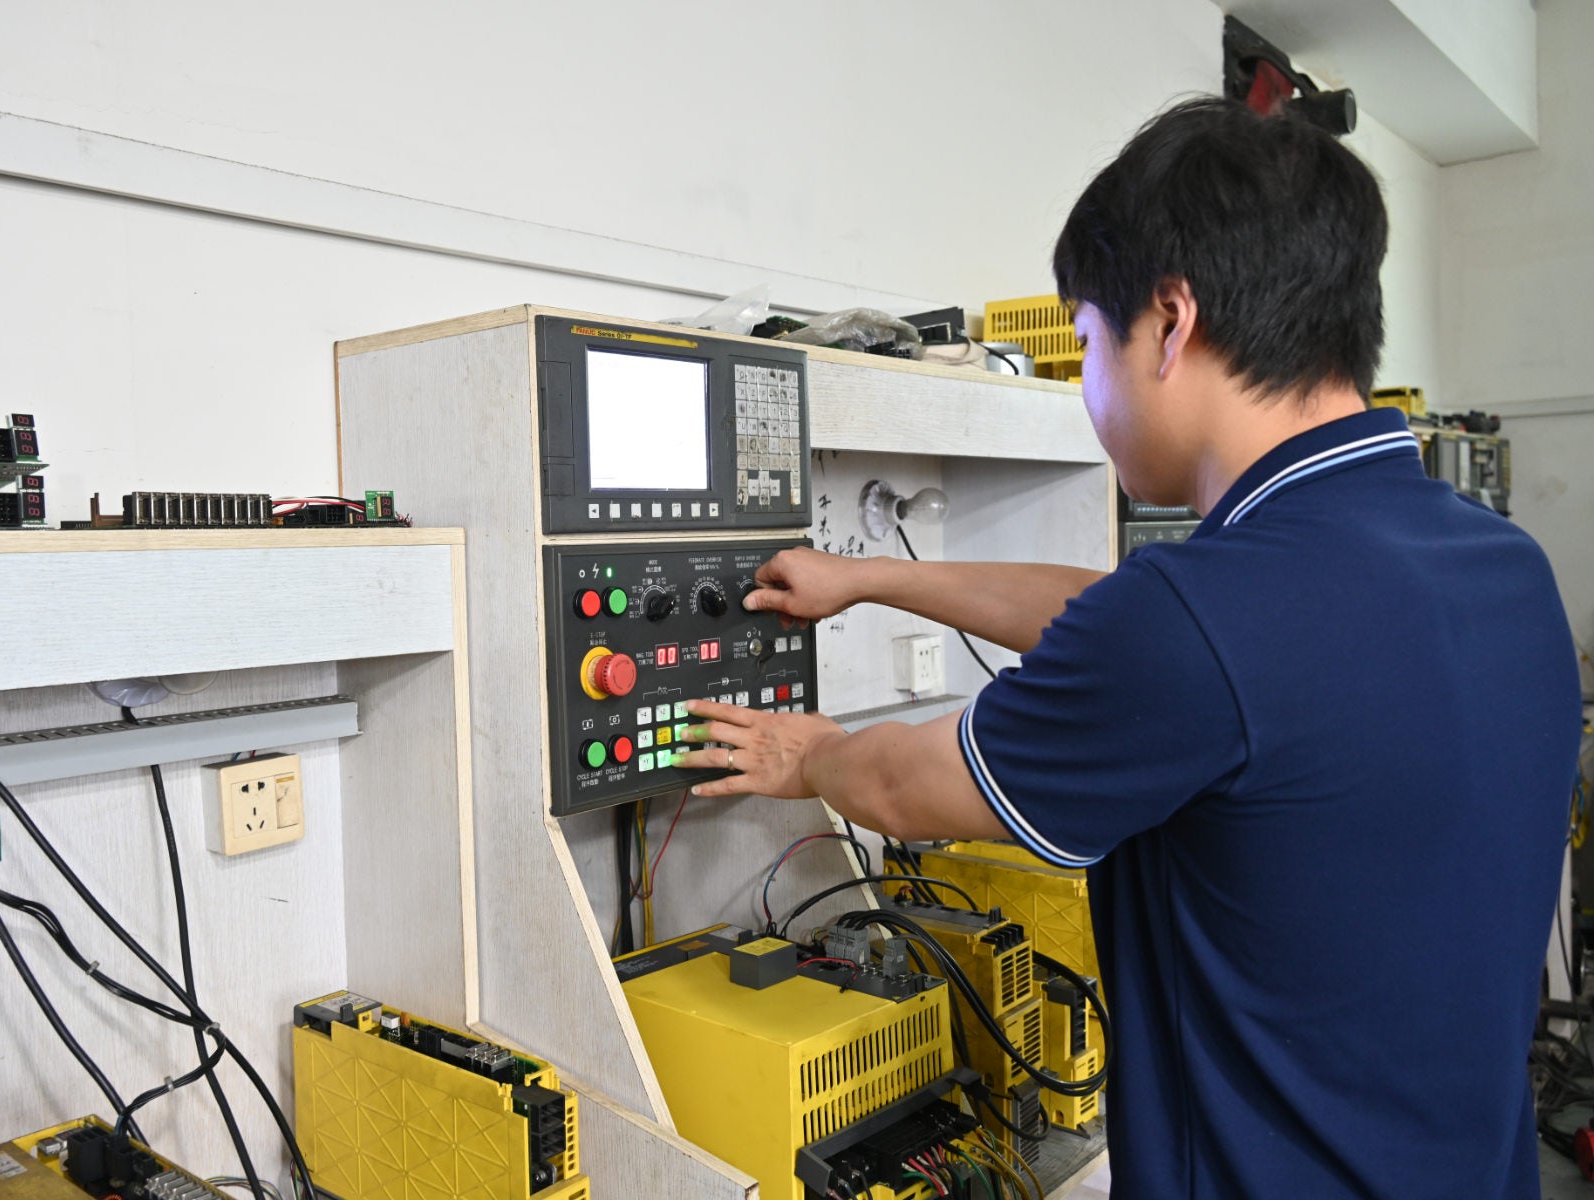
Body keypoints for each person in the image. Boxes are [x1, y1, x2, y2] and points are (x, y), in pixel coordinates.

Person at [675, 98, 1584, 1198]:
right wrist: (872, 577)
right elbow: (1125, 624)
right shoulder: (1501, 565)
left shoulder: (1207, 621)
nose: (1089, 386)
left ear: (1171, 320)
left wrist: (804, 756)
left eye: (1089, 344)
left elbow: (912, 789)